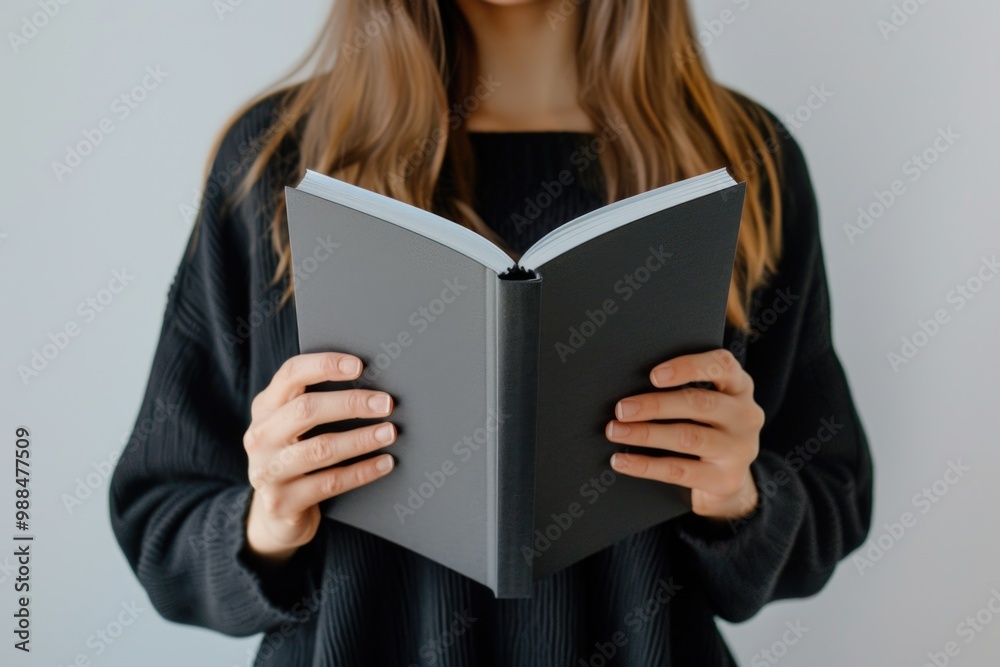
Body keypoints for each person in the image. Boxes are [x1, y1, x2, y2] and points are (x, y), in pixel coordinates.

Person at [109, 1, 874, 664]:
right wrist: (266, 519)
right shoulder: (275, 162)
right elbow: (160, 522)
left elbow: (831, 501)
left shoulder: (744, 162)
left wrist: (739, 496)